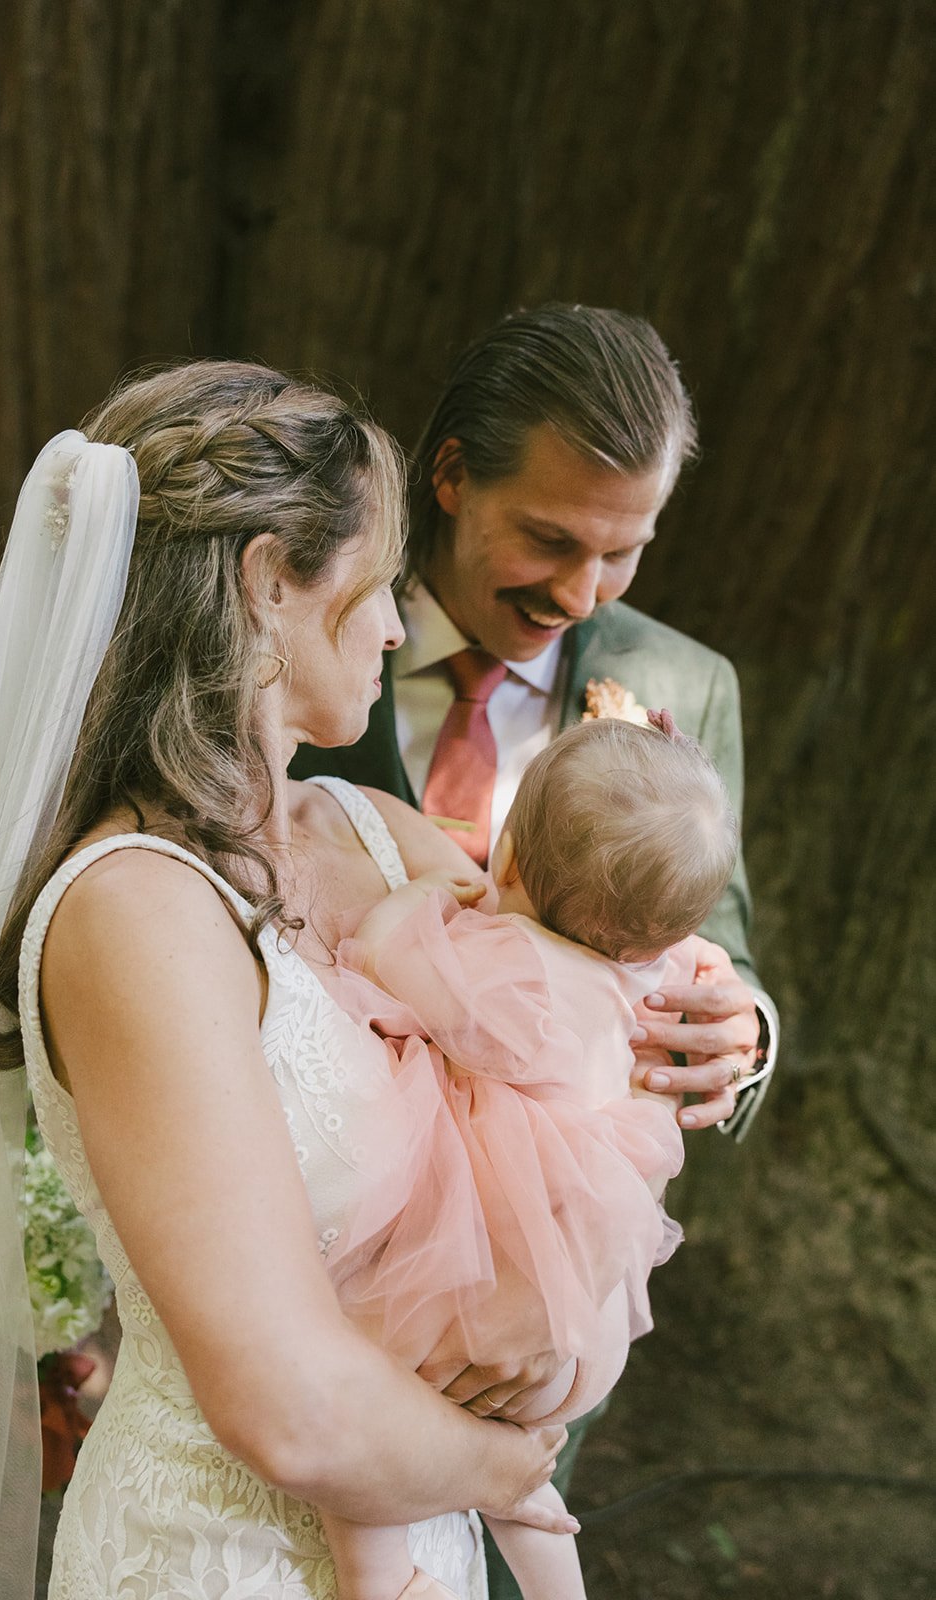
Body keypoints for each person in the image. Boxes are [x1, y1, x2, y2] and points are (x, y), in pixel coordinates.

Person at [0, 361, 580, 1600]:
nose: (399, 627)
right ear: (267, 581)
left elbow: (548, 1124)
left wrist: (547, 1354)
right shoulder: (131, 910)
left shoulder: (376, 835)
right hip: (217, 1555)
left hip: (422, 1531)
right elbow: (286, 1408)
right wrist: (506, 1463)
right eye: (374, 583)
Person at [288, 303, 778, 1595]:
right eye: (549, 540)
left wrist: (742, 1034)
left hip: (532, 1304)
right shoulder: (305, 628)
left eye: (621, 555)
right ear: (448, 476)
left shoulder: (685, 683)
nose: (579, 594)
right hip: (310, 1264)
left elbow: (710, 948)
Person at [313, 713, 738, 1600]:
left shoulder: (508, 966)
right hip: (586, 1332)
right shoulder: (656, 983)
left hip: (470, 1313)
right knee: (524, 1484)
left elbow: (386, 954)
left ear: (504, 863)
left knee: (356, 1397)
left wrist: (429, 898)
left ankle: (380, 1580)